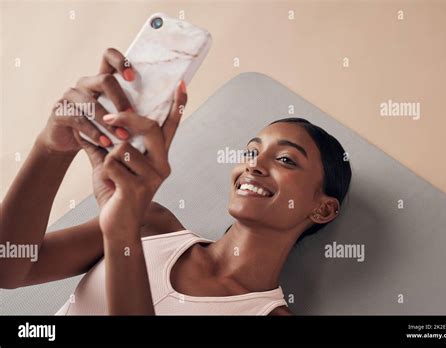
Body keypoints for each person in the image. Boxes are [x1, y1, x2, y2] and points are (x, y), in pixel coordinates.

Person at [0, 48, 351, 315]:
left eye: (286, 159)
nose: (254, 165)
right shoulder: (151, 223)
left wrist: (121, 234)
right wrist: (52, 148)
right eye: (250, 152)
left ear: (323, 208)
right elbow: (9, 267)